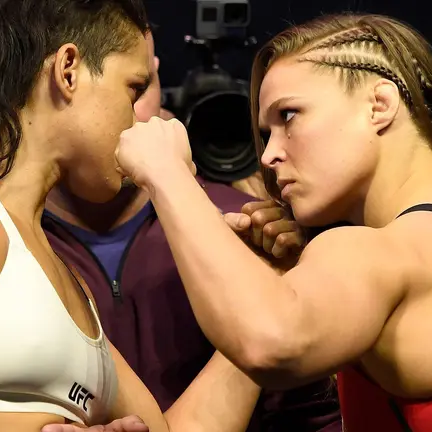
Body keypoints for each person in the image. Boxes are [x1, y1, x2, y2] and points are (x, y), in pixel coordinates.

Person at [111, 13, 432, 431]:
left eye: (290, 116)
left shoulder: (375, 253)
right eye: (266, 132)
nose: (272, 153)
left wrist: (166, 174)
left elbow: (267, 343)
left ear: (380, 105)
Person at [0, 1, 264, 431]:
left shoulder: (67, 280)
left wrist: (264, 288)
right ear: (69, 70)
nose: (139, 119)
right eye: (133, 89)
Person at [43, 31, 342, 432]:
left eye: (141, 86)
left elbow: (314, 417)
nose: (132, 112)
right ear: (62, 81)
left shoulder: (249, 223)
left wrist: (278, 288)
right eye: (127, 86)